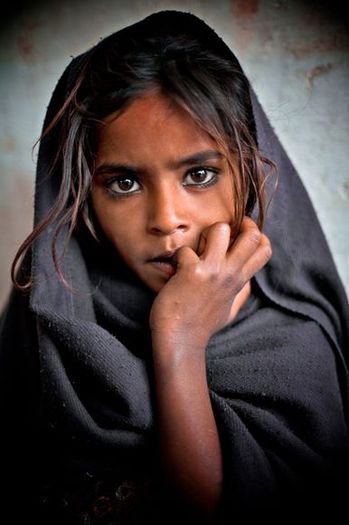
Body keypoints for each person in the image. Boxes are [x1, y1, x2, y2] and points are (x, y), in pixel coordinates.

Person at [1, 9, 348, 525]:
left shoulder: (292, 342)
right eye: (124, 184)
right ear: (83, 194)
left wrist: (180, 337)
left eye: (200, 174)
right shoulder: (57, 306)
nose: (167, 220)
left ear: (249, 174)